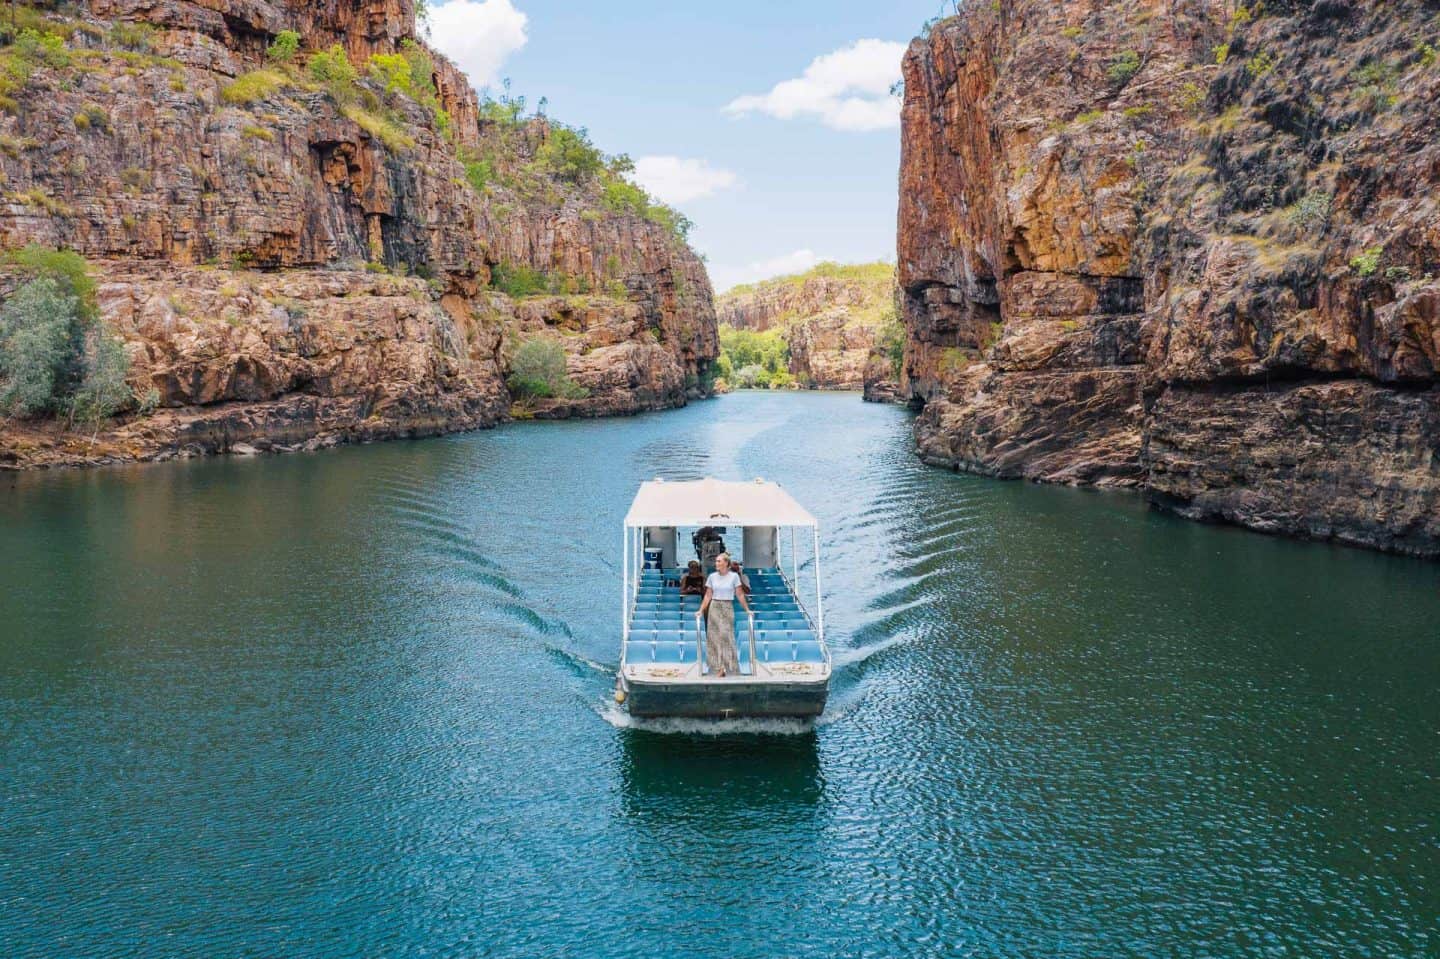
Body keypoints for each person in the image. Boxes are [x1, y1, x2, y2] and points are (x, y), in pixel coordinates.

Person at [697, 552, 752, 678]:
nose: (716, 563)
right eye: (716, 561)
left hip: (727, 606)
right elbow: (708, 595)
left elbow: (740, 594)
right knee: (714, 636)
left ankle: (729, 665)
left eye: (719, 561)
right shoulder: (712, 577)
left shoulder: (734, 577)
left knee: (726, 635)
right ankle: (719, 667)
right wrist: (701, 610)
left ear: (726, 563)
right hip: (715, 606)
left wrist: (747, 610)